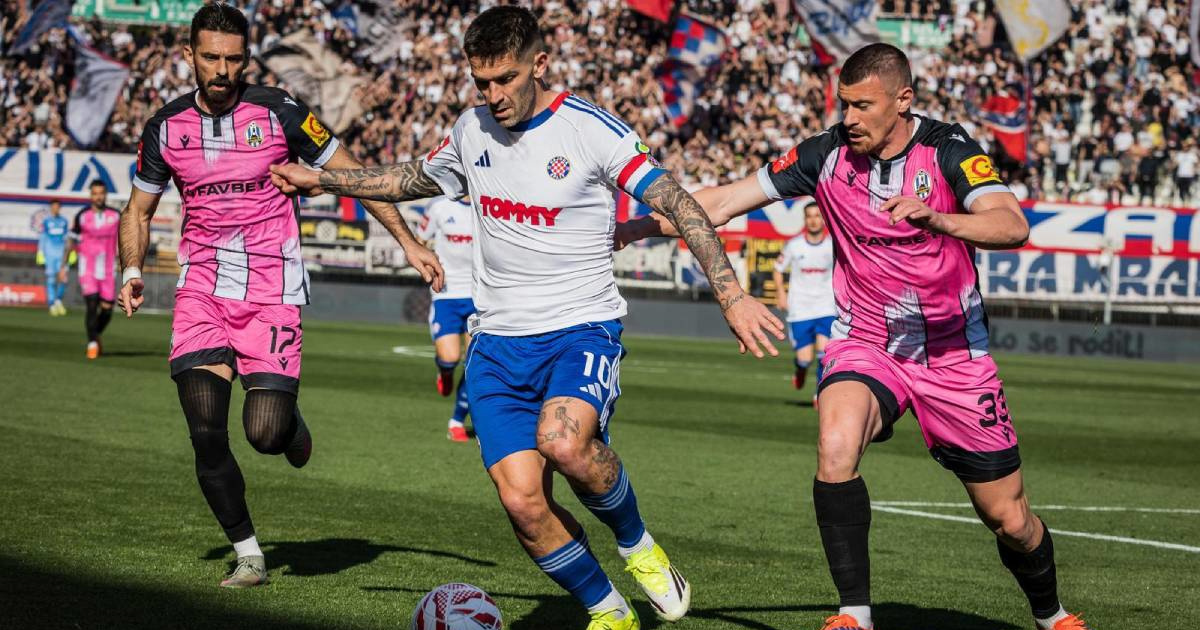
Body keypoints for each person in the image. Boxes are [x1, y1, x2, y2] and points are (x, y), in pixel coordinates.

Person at [268, 7, 783, 629]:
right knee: (521, 502)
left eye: (505, 79)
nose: (493, 95)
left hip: (580, 329)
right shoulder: (470, 129)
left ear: (539, 65)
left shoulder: (590, 129)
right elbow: (410, 178)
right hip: (496, 343)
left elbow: (679, 203)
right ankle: (609, 611)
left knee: (565, 445)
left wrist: (731, 295)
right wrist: (325, 181)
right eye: (481, 82)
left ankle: (639, 545)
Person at [616, 43, 1090, 630]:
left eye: (863, 106)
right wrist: (635, 227)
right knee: (836, 446)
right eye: (845, 104)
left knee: (1009, 519)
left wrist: (940, 219)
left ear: (903, 100)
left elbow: (1011, 223)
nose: (850, 118)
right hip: (866, 341)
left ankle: (1051, 614)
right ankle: (854, 615)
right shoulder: (825, 153)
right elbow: (727, 199)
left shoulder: (949, 149)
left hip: (953, 354)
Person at [115, 3, 443, 589]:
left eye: (233, 59)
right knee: (205, 429)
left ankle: (289, 424)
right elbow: (138, 209)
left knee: (264, 434)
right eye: (210, 58)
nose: (222, 70)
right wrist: (132, 268)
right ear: (189, 55)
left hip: (271, 289)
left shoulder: (281, 111)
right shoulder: (165, 127)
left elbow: (351, 173)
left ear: (247, 59)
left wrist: (409, 241)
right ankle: (249, 555)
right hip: (201, 289)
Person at [416, 195, 476, 442]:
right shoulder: (439, 206)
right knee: (450, 357)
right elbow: (419, 242)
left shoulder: (488, 202)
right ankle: (445, 370)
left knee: (475, 364)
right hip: (446, 294)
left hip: (479, 295)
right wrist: (428, 267)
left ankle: (457, 421)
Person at [772, 202, 835, 403]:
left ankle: (819, 395)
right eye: (809, 216)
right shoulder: (794, 245)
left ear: (823, 219)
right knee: (805, 359)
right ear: (805, 220)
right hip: (800, 308)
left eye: (817, 215)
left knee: (824, 353)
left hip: (826, 306)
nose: (814, 220)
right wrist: (781, 294)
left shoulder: (833, 244)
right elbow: (777, 270)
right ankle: (800, 370)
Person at [65, 180, 120, 358]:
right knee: (92, 304)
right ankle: (92, 344)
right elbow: (71, 240)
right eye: (95, 193)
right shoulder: (82, 215)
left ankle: (95, 335)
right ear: (91, 195)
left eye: (101, 193)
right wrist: (64, 266)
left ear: (105, 195)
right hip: (87, 268)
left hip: (108, 269)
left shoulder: (116, 215)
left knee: (107, 309)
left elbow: (126, 238)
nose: (98, 197)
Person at [37, 200, 70, 316]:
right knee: (51, 279)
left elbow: (67, 238)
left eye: (57, 207)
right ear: (51, 208)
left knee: (63, 278)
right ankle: (51, 304)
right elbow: (43, 237)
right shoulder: (46, 221)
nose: (55, 209)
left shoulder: (64, 221)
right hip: (50, 254)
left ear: (59, 208)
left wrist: (70, 252)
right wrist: (40, 252)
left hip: (62, 255)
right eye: (53, 207)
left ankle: (58, 301)